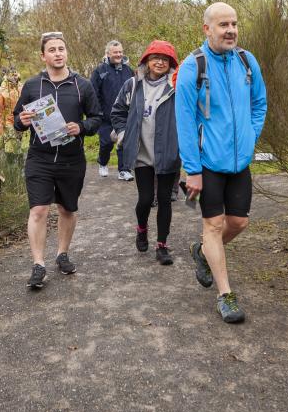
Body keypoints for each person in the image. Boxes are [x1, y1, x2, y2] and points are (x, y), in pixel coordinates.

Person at [175, 2, 268, 323]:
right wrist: (193, 170)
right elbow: (184, 122)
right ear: (207, 29)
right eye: (223, 25)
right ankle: (225, 295)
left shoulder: (246, 61)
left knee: (239, 223)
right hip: (208, 164)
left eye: (234, 23)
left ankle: (201, 252)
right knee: (212, 226)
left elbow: (259, 103)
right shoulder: (192, 68)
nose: (230, 30)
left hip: (240, 162)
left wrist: (250, 136)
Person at [13, 32, 102, 289]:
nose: (57, 53)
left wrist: (82, 127)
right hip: (39, 158)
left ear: (66, 52)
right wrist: (22, 120)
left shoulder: (82, 85)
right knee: (39, 210)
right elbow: (17, 120)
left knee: (66, 209)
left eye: (61, 49)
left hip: (71, 159)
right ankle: (38, 264)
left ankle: (62, 254)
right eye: (52, 50)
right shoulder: (32, 85)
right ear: (43, 56)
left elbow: (97, 118)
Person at [111, 40, 180, 266]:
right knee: (145, 199)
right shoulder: (133, 85)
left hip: (168, 152)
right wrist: (123, 135)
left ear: (171, 63)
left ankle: (162, 245)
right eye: (155, 58)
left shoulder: (177, 86)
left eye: (164, 59)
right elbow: (118, 111)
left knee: (165, 200)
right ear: (146, 61)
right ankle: (141, 229)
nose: (159, 62)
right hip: (142, 154)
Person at [90, 40, 135, 180]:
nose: (119, 54)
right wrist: (98, 112)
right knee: (107, 143)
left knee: (124, 142)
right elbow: (93, 92)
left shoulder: (129, 71)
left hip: (124, 116)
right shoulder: (99, 71)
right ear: (108, 53)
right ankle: (102, 162)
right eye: (115, 52)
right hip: (105, 116)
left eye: (120, 52)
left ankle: (124, 170)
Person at [0, 68, 24, 163]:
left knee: (17, 142)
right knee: (11, 142)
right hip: (7, 121)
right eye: (11, 75)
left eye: (15, 74)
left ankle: (15, 167)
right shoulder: (2, 89)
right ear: (7, 76)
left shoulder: (21, 87)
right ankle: (12, 166)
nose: (14, 77)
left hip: (20, 120)